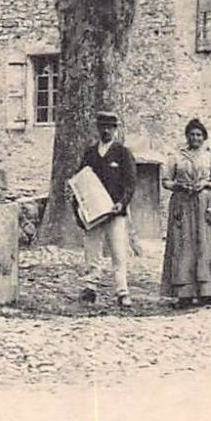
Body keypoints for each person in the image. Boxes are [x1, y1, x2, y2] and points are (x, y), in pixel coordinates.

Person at [160, 119, 211, 308]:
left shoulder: (210, 158)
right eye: (192, 134)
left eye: (199, 135)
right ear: (187, 136)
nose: (195, 138)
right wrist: (178, 185)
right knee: (184, 246)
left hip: (205, 205)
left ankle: (207, 291)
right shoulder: (176, 157)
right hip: (183, 204)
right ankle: (184, 293)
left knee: (206, 245)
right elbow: (165, 180)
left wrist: (206, 184)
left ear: (204, 137)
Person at [77, 110, 137, 308]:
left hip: (115, 211)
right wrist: (80, 207)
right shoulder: (90, 153)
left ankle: (122, 291)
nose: (106, 130)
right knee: (92, 251)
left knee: (118, 252)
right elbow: (81, 181)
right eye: (102, 127)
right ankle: (90, 288)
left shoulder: (122, 152)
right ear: (97, 129)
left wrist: (122, 202)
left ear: (115, 129)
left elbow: (130, 182)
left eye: (109, 127)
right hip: (94, 212)